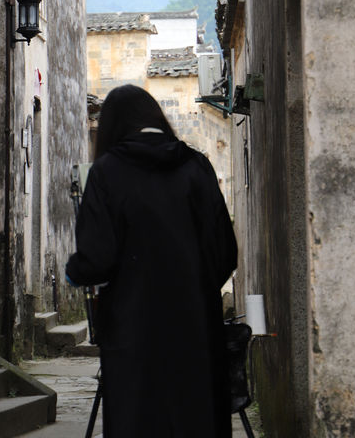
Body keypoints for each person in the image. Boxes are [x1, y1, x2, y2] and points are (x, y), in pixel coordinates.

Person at [66, 84, 237, 438]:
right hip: (197, 333)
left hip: (133, 335)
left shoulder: (107, 173)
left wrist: (74, 271)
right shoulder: (196, 167)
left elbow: (96, 259)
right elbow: (224, 253)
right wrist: (193, 288)